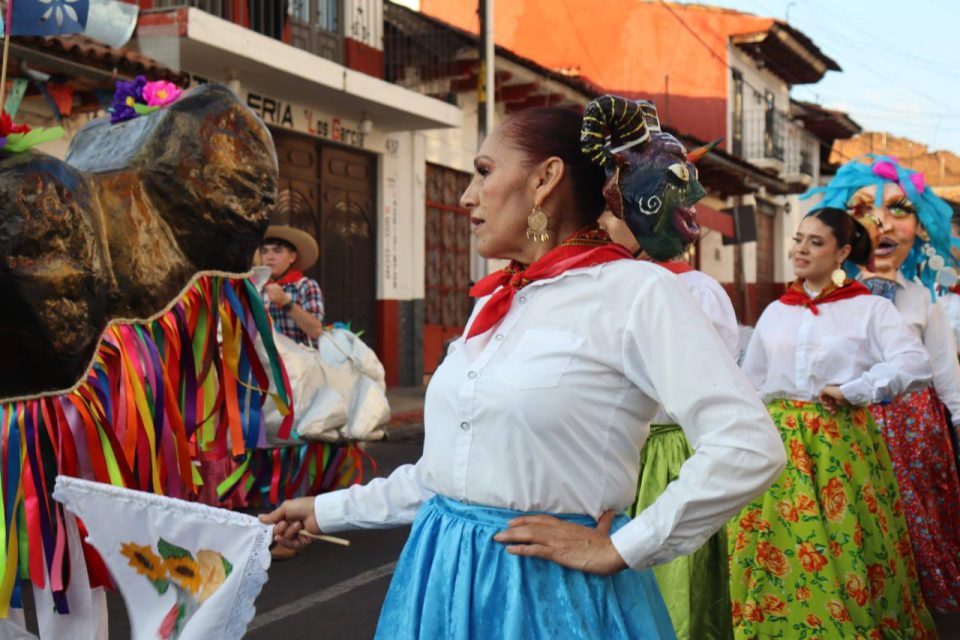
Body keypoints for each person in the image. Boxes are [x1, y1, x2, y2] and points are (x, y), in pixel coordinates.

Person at [260, 102, 785, 639]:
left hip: (548, 596)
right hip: (439, 582)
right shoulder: (498, 302)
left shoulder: (636, 293)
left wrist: (624, 546)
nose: (467, 196)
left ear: (544, 179)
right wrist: (324, 511)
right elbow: (446, 478)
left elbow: (747, 445)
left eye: (484, 171)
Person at [733, 208, 935, 638]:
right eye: (798, 239)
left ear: (843, 252)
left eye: (816, 242)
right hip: (779, 445)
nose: (801, 250)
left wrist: (857, 388)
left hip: (838, 444)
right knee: (778, 540)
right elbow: (751, 383)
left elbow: (916, 363)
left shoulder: (869, 309)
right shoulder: (777, 311)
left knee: (844, 540)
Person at [806, 156, 960, 612]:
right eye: (862, 210)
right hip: (847, 427)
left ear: (922, 227)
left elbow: (944, 371)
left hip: (915, 437)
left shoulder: (921, 298)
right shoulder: (824, 296)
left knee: (915, 522)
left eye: (899, 209)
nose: (882, 223)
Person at [600, 209, 739, 640]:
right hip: (620, 448)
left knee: (671, 580)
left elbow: (714, 379)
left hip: (670, 452)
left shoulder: (697, 290)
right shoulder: (607, 283)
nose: (602, 223)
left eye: (613, 214)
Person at [259, 225, 325, 347]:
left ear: (292, 257)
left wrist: (285, 302)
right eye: (265, 251)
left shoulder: (306, 286)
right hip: (265, 357)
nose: (269, 257)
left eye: (277, 251)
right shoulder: (256, 288)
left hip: (301, 357)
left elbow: (316, 330)